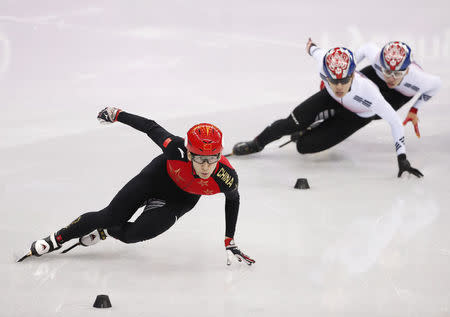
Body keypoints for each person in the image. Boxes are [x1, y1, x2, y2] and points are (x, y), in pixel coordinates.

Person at [20, 107, 255, 266]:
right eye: (200, 158)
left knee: (132, 236)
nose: (206, 166)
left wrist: (229, 239)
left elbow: (233, 199)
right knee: (109, 215)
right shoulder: (176, 148)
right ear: (189, 152)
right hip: (156, 178)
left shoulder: (226, 176)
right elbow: (150, 126)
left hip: (180, 200)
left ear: (219, 154)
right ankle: (57, 238)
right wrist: (117, 113)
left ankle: (106, 231)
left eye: (212, 158)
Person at [232, 40, 423, 178]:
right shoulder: (324, 62)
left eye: (344, 80)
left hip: (356, 116)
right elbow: (313, 48)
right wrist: (311, 45)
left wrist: (402, 158)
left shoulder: (370, 93)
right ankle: (257, 143)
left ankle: (310, 128)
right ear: (326, 74)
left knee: (303, 146)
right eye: (333, 80)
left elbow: (395, 122)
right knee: (288, 124)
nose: (339, 86)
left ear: (353, 74)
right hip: (329, 99)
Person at [355, 41, 442, 138]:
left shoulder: (418, 79)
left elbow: (437, 85)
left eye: (397, 73)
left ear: (407, 71)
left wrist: (414, 109)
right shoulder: (376, 59)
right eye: (388, 71)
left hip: (399, 95)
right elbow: (366, 47)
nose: (391, 79)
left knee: (370, 112)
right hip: (378, 76)